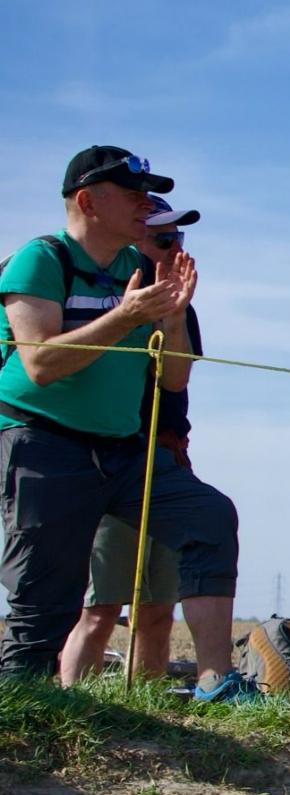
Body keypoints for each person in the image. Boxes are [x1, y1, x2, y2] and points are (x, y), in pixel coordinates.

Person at [0, 145, 245, 701]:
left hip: (124, 450)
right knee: (45, 596)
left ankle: (216, 681)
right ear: (88, 202)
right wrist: (127, 315)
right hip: (42, 442)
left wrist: (173, 317)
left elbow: (174, 380)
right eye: (133, 194)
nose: (146, 205)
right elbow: (40, 364)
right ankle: (25, 712)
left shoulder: (137, 270)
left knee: (209, 516)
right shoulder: (41, 259)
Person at [60, 195, 205, 683]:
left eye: (178, 238)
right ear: (135, 241)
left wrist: (175, 317)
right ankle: (72, 705)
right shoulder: (100, 298)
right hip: (109, 460)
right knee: (99, 608)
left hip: (164, 459)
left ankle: (145, 710)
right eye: (164, 239)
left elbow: (176, 381)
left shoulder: (181, 307)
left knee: (159, 609)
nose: (175, 248)